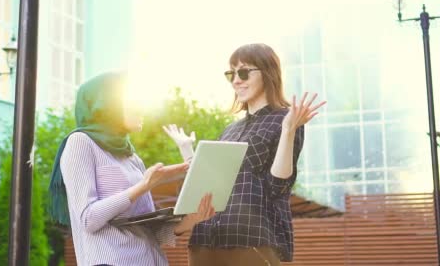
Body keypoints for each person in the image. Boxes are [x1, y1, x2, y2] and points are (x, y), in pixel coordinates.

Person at [165, 43, 326, 266]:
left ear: (267, 72)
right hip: (204, 240)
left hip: (251, 241)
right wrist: (186, 150)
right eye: (231, 74)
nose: (236, 80)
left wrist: (289, 130)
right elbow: (207, 180)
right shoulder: (229, 130)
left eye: (243, 72)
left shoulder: (286, 120)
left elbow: (278, 187)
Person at [48, 72, 215, 266]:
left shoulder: (131, 156)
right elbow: (87, 220)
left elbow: (152, 231)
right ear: (108, 105)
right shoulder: (80, 143)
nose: (142, 109)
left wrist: (193, 218)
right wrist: (142, 187)